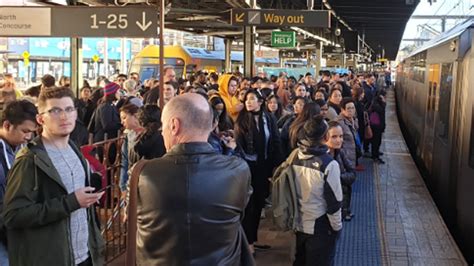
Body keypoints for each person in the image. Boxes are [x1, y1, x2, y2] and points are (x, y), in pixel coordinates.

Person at [134, 93, 254, 265]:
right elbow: (240, 210)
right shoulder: (238, 169)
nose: (162, 133)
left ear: (174, 125)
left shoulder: (141, 174)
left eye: (163, 126)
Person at [2, 87, 105, 266]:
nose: (64, 116)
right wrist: (71, 202)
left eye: (69, 109)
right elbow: (13, 215)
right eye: (55, 111)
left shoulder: (74, 150)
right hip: (51, 258)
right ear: (41, 119)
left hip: (85, 255)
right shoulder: (29, 160)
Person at [235, 89, 283, 255]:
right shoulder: (241, 121)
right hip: (247, 168)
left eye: (252, 99)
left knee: (259, 203)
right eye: (246, 99)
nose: (248, 102)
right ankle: (247, 243)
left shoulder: (267, 118)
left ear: (260, 101)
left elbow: (275, 140)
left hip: (264, 167)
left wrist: (277, 165)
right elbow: (239, 147)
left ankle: (252, 240)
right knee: (249, 206)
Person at [292, 115, 342, 266]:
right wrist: (337, 228)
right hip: (320, 226)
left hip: (298, 223)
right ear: (325, 136)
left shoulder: (295, 157)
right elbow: (334, 203)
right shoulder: (329, 164)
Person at [0, 100, 38, 265]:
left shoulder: (20, 148)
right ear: (7, 125)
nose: (28, 137)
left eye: (32, 132)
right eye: (25, 131)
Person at [325, 121, 356, 221]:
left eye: (341, 136)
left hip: (342, 202)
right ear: (325, 137)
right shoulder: (322, 158)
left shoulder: (340, 152)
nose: (339, 140)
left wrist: (338, 177)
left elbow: (353, 173)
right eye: (334, 137)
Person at [119, 104, 143, 193]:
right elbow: (125, 162)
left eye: (124, 118)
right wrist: (123, 186)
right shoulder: (128, 137)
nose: (122, 122)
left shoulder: (150, 135)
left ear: (135, 115)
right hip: (132, 181)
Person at [335, 97, 358, 165]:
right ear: (342, 110)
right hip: (344, 157)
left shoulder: (354, 120)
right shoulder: (338, 123)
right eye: (348, 108)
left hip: (352, 154)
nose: (351, 110)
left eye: (353, 108)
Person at [369, 91, 387, 164]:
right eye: (384, 96)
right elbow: (381, 110)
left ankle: (376, 153)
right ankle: (375, 156)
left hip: (378, 126)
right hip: (376, 126)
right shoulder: (375, 103)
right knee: (375, 142)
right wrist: (383, 102)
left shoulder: (377, 102)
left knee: (378, 141)